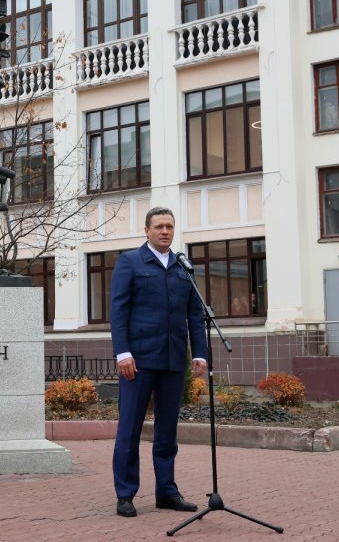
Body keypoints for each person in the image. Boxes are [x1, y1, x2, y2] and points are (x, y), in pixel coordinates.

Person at [110, 206, 207, 517]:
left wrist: (200, 353)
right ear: (147, 230)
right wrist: (122, 352)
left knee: (168, 431)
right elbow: (118, 310)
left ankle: (166, 491)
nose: (165, 231)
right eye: (159, 226)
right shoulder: (130, 261)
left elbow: (195, 314)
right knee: (130, 429)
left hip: (172, 359)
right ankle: (125, 494)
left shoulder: (183, 267)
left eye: (169, 226)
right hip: (138, 361)